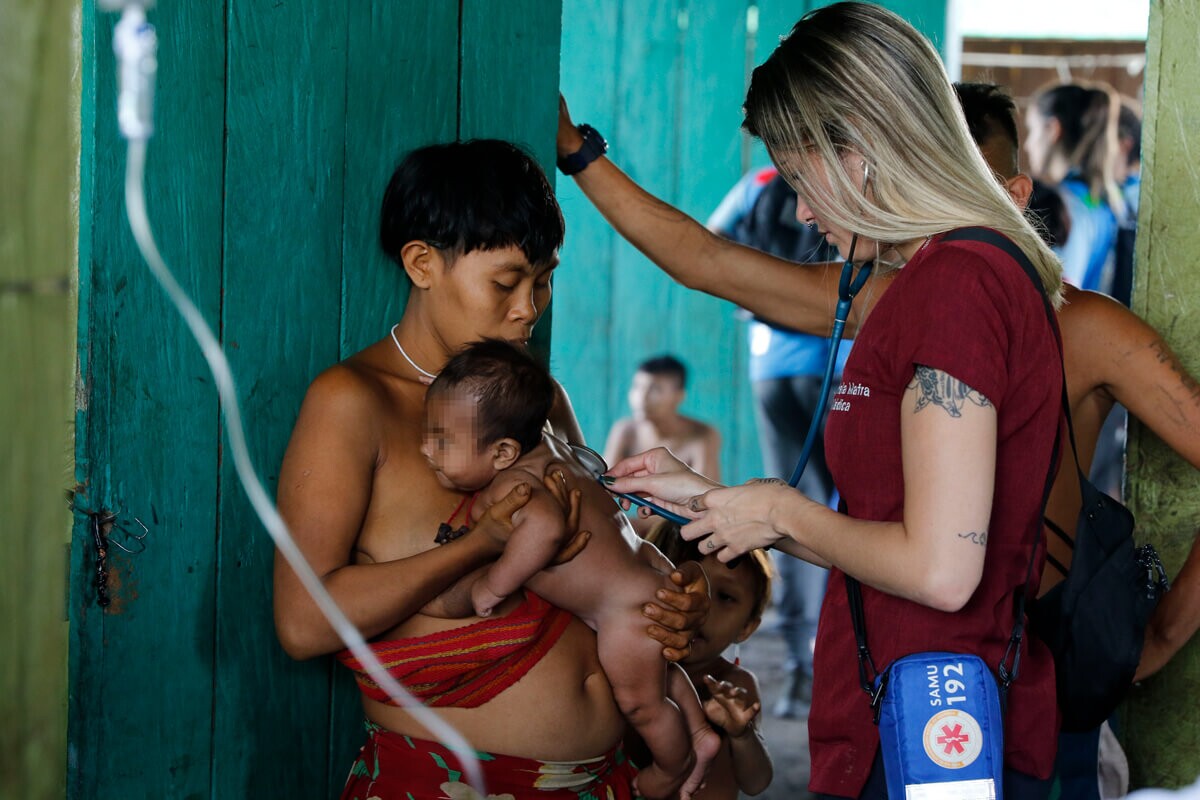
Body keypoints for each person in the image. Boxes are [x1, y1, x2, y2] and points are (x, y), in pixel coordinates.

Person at [562, 5, 1066, 798]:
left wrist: (779, 510)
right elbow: (887, 537)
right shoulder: (926, 282)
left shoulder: (960, 288)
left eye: (801, 178)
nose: (799, 211)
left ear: (862, 152)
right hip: (888, 706)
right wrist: (714, 501)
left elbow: (939, 571)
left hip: (937, 726)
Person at [272, 138, 710, 799]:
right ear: (422, 264)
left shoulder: (538, 401)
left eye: (544, 280)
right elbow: (303, 623)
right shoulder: (354, 404)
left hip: (605, 777)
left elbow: (594, 560)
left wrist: (667, 597)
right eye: (506, 283)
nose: (528, 309)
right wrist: (477, 548)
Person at [419, 338, 719, 799]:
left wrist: (491, 587)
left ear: (501, 453)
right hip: (645, 573)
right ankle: (699, 729)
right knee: (655, 669)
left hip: (623, 611)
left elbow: (542, 529)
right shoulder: (557, 449)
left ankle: (673, 766)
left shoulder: (514, 482)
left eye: (441, 441)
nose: (426, 449)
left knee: (642, 704)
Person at [707, 166, 842, 718]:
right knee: (837, 514)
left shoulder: (757, 178)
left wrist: (755, 299)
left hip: (769, 362)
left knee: (792, 509)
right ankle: (833, 663)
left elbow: (711, 238)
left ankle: (800, 672)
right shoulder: (840, 176)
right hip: (832, 363)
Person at [642, 518, 775, 799]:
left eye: (725, 597)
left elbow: (756, 783)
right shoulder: (626, 672)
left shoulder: (736, 686)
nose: (702, 606)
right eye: (685, 581)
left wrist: (743, 735)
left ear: (747, 627)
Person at [1024, 80, 1126, 295]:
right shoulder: (1104, 198)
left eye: (1031, 130)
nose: (1027, 145)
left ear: (1052, 129)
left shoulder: (1063, 205)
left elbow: (1062, 296)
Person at [604, 355, 722, 482]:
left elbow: (707, 496)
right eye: (637, 387)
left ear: (679, 396)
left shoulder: (702, 435)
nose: (642, 398)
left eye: (655, 389)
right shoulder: (625, 431)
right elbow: (603, 485)